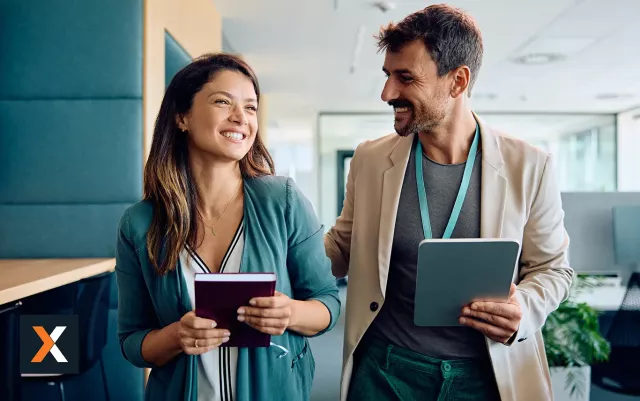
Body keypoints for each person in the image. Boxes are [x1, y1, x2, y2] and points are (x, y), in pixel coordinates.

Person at [324, 5, 573, 401]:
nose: (387, 93)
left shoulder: (529, 166)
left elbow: (552, 271)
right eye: (387, 76)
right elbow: (341, 247)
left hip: (487, 374)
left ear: (457, 81)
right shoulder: (370, 160)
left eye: (405, 78)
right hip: (385, 371)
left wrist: (523, 308)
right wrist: (280, 245)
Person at [115, 53, 340, 401]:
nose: (241, 118)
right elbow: (132, 341)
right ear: (182, 116)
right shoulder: (140, 223)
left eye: (250, 108)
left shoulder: (283, 200)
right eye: (223, 102)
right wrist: (176, 336)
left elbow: (327, 303)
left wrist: (291, 312)